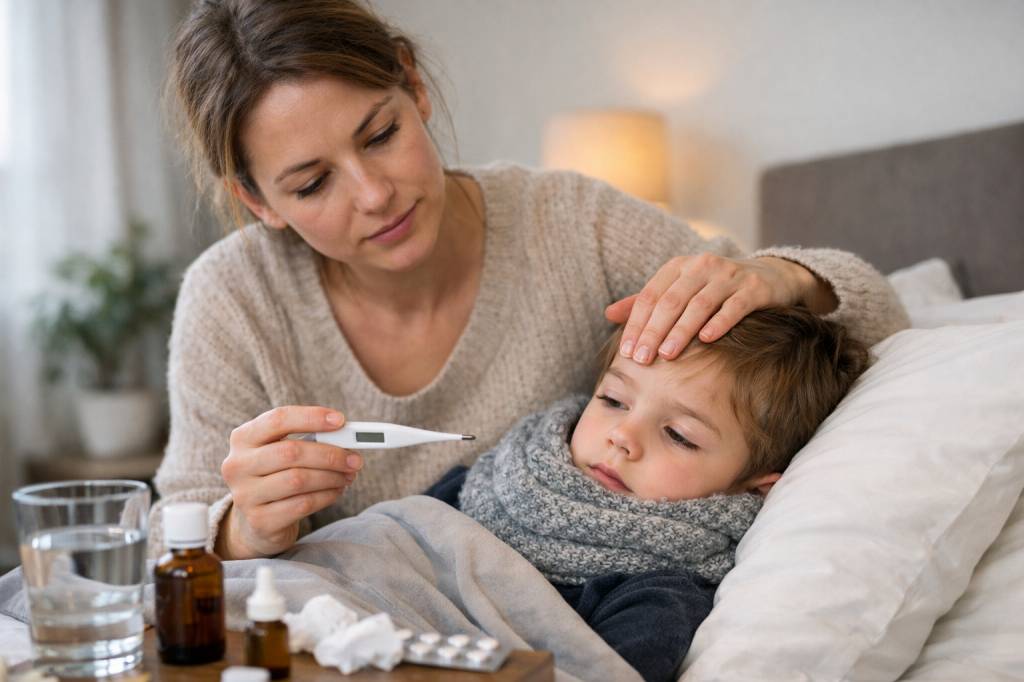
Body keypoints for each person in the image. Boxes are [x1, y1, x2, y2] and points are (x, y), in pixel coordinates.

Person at [151, 0, 909, 561]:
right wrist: (242, 526)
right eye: (313, 184)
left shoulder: (576, 224)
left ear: (414, 87)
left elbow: (874, 324)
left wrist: (775, 274)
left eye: (380, 135)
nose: (373, 194)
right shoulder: (232, 299)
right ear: (258, 201)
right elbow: (172, 536)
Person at [424, 307, 871, 681]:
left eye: (678, 435)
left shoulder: (658, 600)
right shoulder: (481, 485)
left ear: (751, 487)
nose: (622, 436)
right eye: (614, 400)